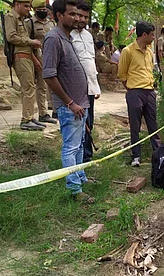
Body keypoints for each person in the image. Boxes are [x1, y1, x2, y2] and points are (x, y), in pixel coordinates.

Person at [43, 0, 93, 203]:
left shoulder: (67, 38)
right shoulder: (53, 38)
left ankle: (81, 177)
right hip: (70, 107)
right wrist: (70, 102)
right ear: (58, 15)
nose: (76, 18)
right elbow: (49, 75)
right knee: (71, 147)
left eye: (77, 14)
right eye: (71, 14)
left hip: (81, 105)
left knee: (80, 145)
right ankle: (75, 190)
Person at [118, 21, 161, 167]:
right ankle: (136, 156)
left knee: (153, 125)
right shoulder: (128, 51)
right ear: (144, 35)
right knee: (135, 126)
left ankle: (158, 154)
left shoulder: (150, 51)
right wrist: (132, 90)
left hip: (150, 92)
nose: (154, 37)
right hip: (135, 92)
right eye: (152, 34)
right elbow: (122, 74)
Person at [4, 0, 45, 130]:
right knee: (28, 88)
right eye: (26, 6)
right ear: (17, 5)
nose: (29, 9)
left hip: (27, 57)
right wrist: (31, 41)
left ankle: (30, 117)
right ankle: (26, 120)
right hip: (20, 57)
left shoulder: (21, 19)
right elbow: (11, 37)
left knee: (31, 87)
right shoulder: (10, 17)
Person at [71, 2, 101, 163]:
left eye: (85, 17)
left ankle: (86, 157)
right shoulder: (68, 35)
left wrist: (95, 87)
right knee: (78, 124)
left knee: (89, 122)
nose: (82, 19)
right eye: (79, 16)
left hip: (89, 87)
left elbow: (90, 62)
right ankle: (76, 160)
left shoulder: (88, 35)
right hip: (75, 88)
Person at [28, 0, 56, 125]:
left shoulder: (51, 23)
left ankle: (49, 112)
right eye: (41, 9)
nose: (44, 11)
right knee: (39, 86)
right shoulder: (29, 23)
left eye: (45, 10)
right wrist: (34, 59)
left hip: (51, 58)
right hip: (37, 58)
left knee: (49, 86)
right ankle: (39, 114)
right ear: (35, 10)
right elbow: (26, 44)